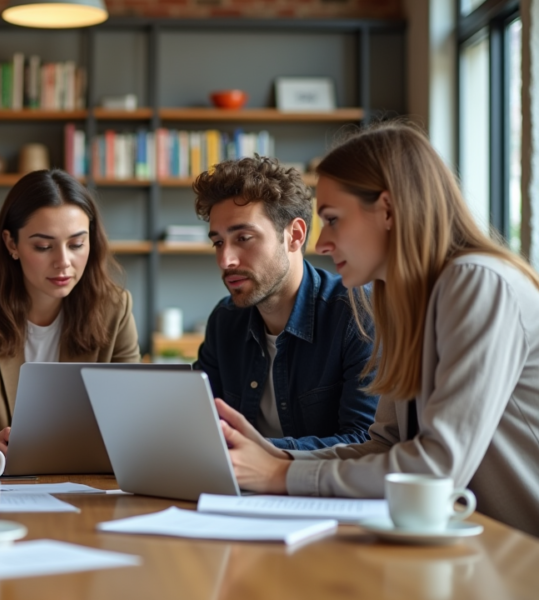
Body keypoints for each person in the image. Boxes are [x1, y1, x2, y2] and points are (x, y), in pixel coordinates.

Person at [217, 122, 539, 536]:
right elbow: (386, 447)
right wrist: (277, 458)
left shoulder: (477, 282)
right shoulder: (403, 300)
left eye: (332, 219)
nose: (321, 244)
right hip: (478, 545)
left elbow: (436, 470)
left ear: (386, 210)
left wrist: (280, 477)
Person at [0, 169, 141, 463]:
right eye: (43, 246)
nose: (63, 262)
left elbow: (129, 412)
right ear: (12, 244)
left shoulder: (115, 308)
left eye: (77, 244)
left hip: (87, 480)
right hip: (1, 482)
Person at [192, 156, 378, 450]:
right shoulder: (224, 320)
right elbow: (200, 425)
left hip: (321, 494)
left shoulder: (358, 313)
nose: (225, 260)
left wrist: (263, 454)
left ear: (295, 235)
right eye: (218, 242)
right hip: (239, 490)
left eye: (244, 237)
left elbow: (365, 442)